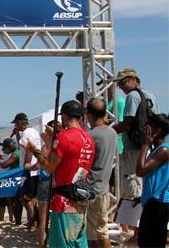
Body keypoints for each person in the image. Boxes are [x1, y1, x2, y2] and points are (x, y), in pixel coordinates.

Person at [24, 100, 95, 248]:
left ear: (64, 116)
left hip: (64, 201)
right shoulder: (89, 138)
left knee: (62, 243)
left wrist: (33, 150)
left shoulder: (64, 137)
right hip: (81, 198)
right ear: (81, 117)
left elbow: (49, 167)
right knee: (78, 242)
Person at [112, 68, 160, 245]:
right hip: (148, 147)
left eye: (123, 82)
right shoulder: (151, 96)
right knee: (143, 188)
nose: (121, 87)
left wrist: (107, 130)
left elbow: (127, 124)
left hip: (134, 148)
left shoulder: (133, 96)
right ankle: (139, 230)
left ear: (133, 80)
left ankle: (137, 232)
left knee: (134, 188)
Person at [85, 98, 117, 248]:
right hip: (103, 188)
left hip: (92, 189)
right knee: (100, 229)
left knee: (94, 233)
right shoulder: (112, 132)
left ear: (88, 113)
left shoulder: (92, 135)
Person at [135, 114, 169, 248]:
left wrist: (145, 145)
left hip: (159, 203)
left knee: (150, 242)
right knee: (145, 241)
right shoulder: (157, 150)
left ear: (157, 130)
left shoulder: (164, 151)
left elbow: (141, 170)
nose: (144, 129)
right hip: (153, 202)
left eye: (148, 126)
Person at [12, 112, 42, 231]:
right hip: (36, 169)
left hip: (30, 169)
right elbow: (23, 146)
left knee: (25, 196)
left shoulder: (27, 132)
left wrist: (26, 164)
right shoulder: (33, 131)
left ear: (20, 122)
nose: (15, 125)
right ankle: (34, 220)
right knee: (32, 196)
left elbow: (29, 148)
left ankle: (32, 220)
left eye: (16, 123)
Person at [0, 138, 21, 223]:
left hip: (14, 180)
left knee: (13, 201)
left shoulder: (15, 154)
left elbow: (5, 165)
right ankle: (16, 220)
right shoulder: (18, 150)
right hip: (14, 179)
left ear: (10, 146)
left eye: (5, 148)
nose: (4, 150)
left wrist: (0, 163)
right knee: (13, 201)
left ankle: (16, 220)